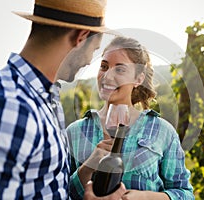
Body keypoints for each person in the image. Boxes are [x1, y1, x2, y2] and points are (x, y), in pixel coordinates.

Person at [0, 0, 126, 199]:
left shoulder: (44, 99)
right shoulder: (9, 107)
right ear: (81, 37)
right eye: (94, 50)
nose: (89, 60)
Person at [67, 36, 195, 199]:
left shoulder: (162, 131)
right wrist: (88, 166)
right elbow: (61, 193)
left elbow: (185, 193)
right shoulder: (75, 131)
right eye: (104, 67)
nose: (107, 76)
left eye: (120, 70)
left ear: (138, 79)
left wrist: (148, 197)